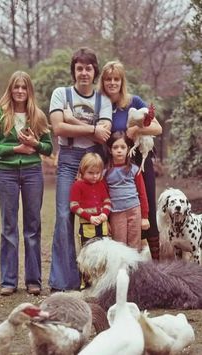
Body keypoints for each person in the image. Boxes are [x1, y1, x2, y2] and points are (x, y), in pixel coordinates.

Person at [0, 71, 53, 296]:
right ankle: (8, 281)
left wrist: (35, 143)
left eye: (24, 87)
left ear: (29, 90)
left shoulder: (37, 116)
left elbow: (49, 148)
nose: (20, 91)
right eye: (16, 87)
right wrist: (15, 149)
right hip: (7, 174)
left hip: (33, 172)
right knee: (8, 227)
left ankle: (33, 280)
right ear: (10, 89)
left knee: (33, 227)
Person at [48, 47, 112, 292]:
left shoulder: (102, 100)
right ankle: (63, 281)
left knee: (98, 217)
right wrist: (91, 129)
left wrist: (72, 120)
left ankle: (96, 277)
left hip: (94, 161)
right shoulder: (60, 94)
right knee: (64, 216)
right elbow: (58, 128)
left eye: (88, 68)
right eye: (79, 68)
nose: (84, 73)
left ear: (94, 71)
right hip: (68, 159)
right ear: (73, 71)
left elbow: (104, 132)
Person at [98, 60, 162, 259]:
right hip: (115, 165)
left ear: (122, 81)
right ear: (103, 81)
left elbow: (158, 128)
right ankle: (120, 261)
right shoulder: (100, 105)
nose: (112, 83)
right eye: (108, 79)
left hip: (139, 162)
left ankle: (156, 263)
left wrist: (137, 128)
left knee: (147, 209)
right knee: (117, 210)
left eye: (116, 79)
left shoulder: (134, 102)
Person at [105, 131, 149, 250]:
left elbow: (143, 194)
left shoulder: (135, 170)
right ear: (110, 150)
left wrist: (145, 217)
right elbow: (104, 197)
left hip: (134, 210)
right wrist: (106, 220)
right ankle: (121, 269)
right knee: (119, 246)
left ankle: (135, 269)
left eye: (123, 147)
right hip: (116, 213)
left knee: (135, 245)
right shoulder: (106, 172)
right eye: (115, 147)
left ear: (128, 149)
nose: (119, 150)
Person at [70, 152, 111, 246]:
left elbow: (107, 201)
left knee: (103, 251)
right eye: (90, 173)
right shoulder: (77, 186)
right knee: (88, 252)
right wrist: (90, 217)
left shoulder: (100, 184)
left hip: (102, 224)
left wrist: (105, 214)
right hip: (87, 226)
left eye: (98, 173)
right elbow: (74, 206)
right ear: (82, 171)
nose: (95, 176)